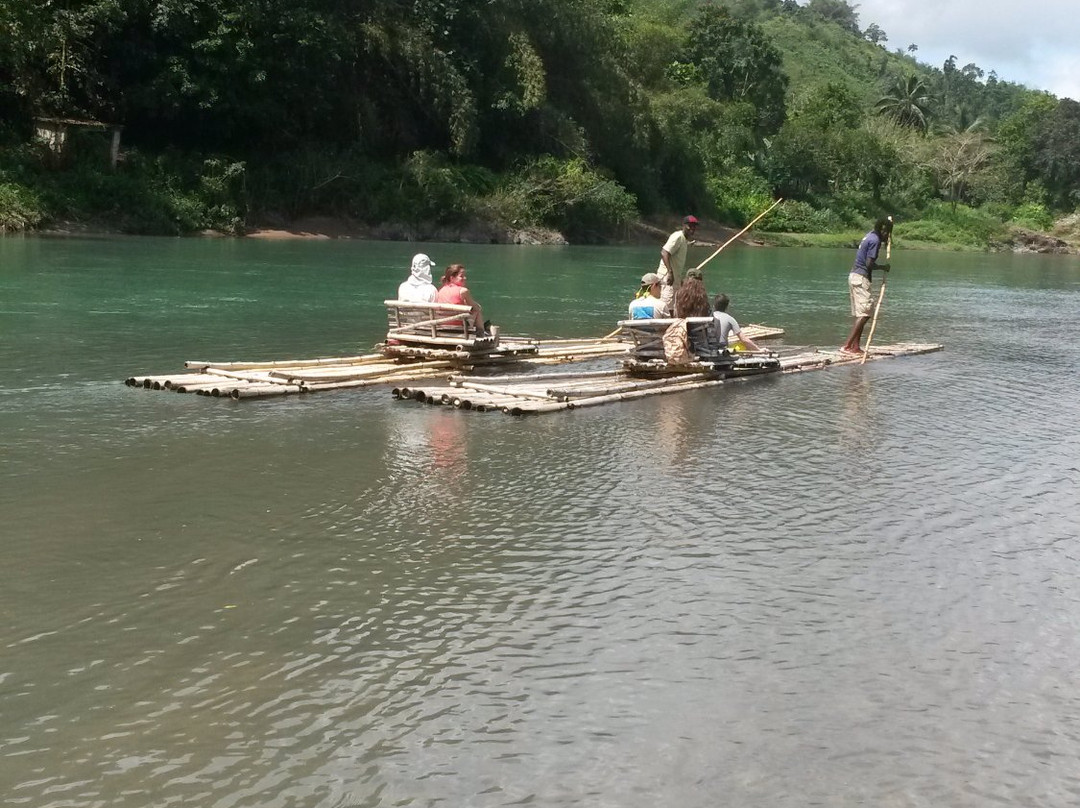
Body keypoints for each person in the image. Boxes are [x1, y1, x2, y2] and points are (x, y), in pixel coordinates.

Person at [840, 218, 891, 355]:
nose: (888, 236)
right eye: (887, 233)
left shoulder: (870, 235)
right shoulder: (874, 241)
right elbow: (869, 264)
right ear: (883, 230)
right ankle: (847, 346)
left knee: (861, 314)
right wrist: (883, 267)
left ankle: (855, 347)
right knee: (865, 314)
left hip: (854, 276)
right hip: (861, 278)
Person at [656, 215, 699, 312]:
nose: (692, 229)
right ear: (684, 225)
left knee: (673, 307)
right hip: (667, 279)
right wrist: (670, 273)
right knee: (667, 307)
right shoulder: (678, 237)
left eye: (694, 226)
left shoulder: (683, 239)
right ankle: (666, 326)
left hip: (675, 280)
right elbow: (664, 252)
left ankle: (671, 326)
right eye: (690, 226)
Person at [434, 263, 487, 335]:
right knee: (477, 310)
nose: (465, 278)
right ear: (452, 278)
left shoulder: (441, 290)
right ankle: (482, 333)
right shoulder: (463, 291)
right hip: (458, 326)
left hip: (443, 325)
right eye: (461, 276)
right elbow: (476, 307)